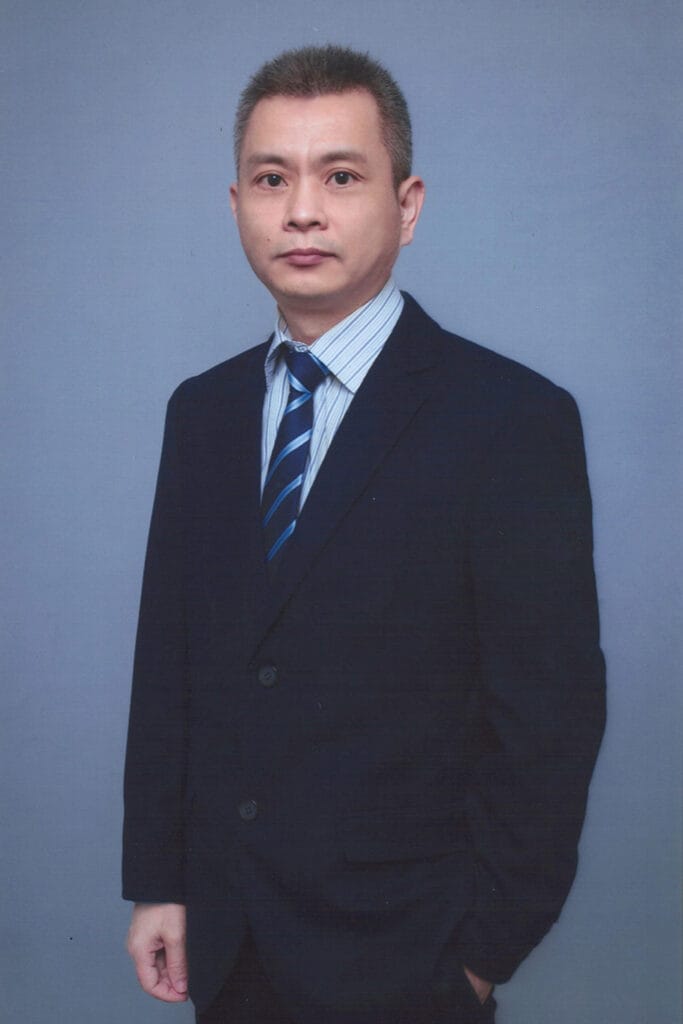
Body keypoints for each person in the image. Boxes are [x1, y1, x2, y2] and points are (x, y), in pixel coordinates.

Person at [123, 45, 606, 1024]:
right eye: (272, 179)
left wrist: (482, 953)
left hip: (407, 953)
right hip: (228, 936)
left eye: (340, 176)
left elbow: (549, 719)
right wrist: (160, 880)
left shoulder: (509, 419)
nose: (302, 210)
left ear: (406, 204)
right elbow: (169, 662)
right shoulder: (201, 412)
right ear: (236, 205)